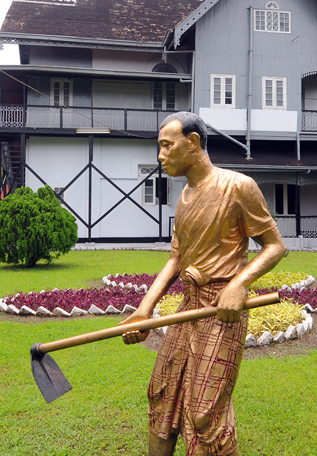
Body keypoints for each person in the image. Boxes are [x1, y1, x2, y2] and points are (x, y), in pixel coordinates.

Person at [121, 112, 286, 456]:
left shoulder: (237, 186)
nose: (160, 155)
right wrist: (143, 311)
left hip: (223, 311)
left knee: (204, 413)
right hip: (190, 305)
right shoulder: (183, 199)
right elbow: (175, 261)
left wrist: (239, 284)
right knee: (162, 393)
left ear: (192, 143)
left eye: (167, 146)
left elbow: (275, 245)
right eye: (160, 147)